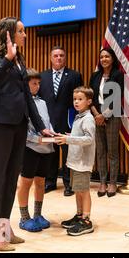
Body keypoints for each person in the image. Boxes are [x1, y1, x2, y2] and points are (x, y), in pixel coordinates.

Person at [0, 17, 53, 251]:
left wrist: (41, 125)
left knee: (12, 179)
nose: (25, 34)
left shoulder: (20, 59)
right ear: (8, 33)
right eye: (21, 31)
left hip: (19, 125)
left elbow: (26, 97)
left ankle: (4, 227)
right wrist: (7, 60)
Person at [39, 46, 83, 196]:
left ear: (65, 58)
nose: (58, 58)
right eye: (56, 55)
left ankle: (68, 184)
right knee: (50, 154)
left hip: (67, 122)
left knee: (68, 155)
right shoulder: (42, 76)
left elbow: (80, 100)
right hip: (48, 124)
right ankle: (50, 182)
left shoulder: (74, 75)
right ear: (51, 58)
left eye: (61, 55)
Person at [17, 68, 54, 232]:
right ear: (26, 84)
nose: (37, 86)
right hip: (29, 148)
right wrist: (35, 139)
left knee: (41, 183)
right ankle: (24, 218)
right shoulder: (21, 103)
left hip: (45, 148)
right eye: (34, 83)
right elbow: (21, 129)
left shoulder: (43, 103)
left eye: (39, 83)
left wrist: (53, 135)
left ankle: (38, 215)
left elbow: (46, 123)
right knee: (25, 183)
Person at [56, 87, 96, 236]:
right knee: (77, 190)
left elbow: (89, 139)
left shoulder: (88, 118)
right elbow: (79, 135)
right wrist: (67, 135)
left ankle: (86, 220)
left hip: (82, 162)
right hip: (74, 161)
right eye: (75, 99)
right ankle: (79, 215)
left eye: (80, 99)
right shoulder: (79, 116)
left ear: (89, 101)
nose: (76, 102)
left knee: (84, 191)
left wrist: (69, 139)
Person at [89, 47, 124, 198]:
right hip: (96, 117)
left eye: (107, 56)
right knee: (101, 152)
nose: (104, 59)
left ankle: (113, 183)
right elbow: (90, 97)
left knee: (112, 152)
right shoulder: (95, 76)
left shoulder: (118, 75)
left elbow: (118, 96)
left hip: (113, 116)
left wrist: (104, 115)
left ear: (112, 58)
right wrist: (97, 114)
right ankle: (102, 182)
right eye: (102, 57)